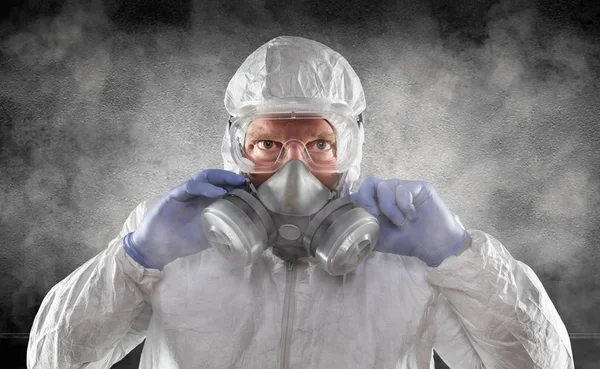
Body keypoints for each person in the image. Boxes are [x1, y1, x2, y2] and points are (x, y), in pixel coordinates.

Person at [27, 36, 574, 369]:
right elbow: (53, 358)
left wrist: (460, 257)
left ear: (349, 149)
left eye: (318, 144)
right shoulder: (170, 238)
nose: (295, 169)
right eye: (269, 143)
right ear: (237, 146)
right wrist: (134, 260)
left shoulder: (408, 253)